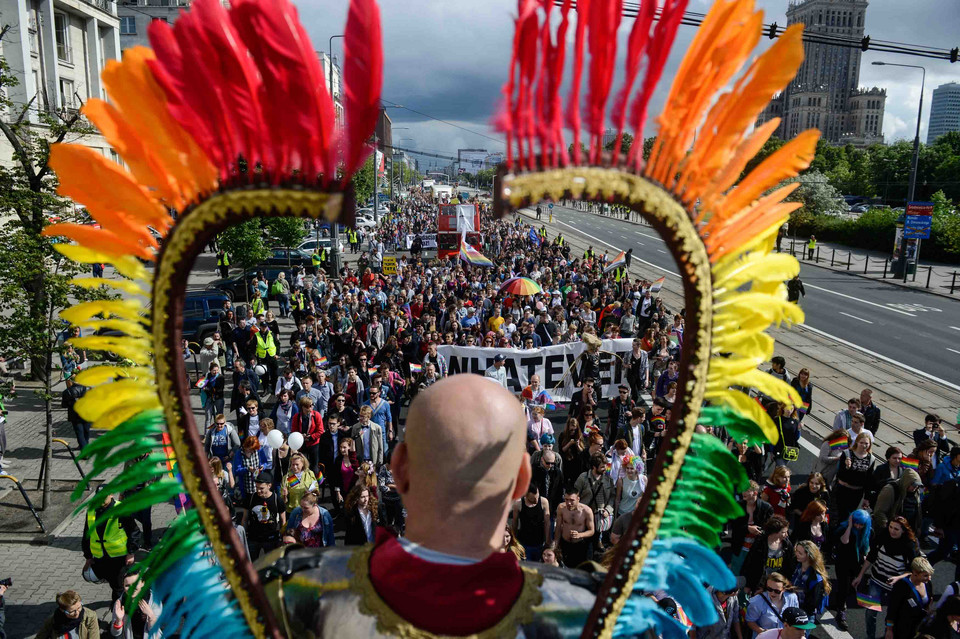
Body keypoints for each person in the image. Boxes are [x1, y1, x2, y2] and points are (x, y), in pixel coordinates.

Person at [853, 516, 920, 639]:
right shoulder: (882, 537)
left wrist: (899, 578)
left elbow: (912, 570)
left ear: (903, 531)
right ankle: (870, 636)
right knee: (870, 612)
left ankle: (887, 635)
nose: (892, 531)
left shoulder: (909, 546)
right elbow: (871, 557)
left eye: (896, 529)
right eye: (890, 527)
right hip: (876, 580)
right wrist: (860, 575)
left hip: (895, 586)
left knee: (891, 615)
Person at [81, 492, 141, 602]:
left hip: (121, 558)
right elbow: (87, 535)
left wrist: (131, 552)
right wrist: (88, 557)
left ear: (111, 494)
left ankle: (118, 609)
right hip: (101, 558)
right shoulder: (91, 511)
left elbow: (134, 532)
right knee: (114, 584)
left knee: (119, 586)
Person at [829, 509, 873, 631]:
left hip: (857, 564)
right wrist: (849, 525)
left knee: (851, 588)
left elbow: (867, 546)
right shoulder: (843, 528)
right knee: (844, 586)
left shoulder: (868, 531)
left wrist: (865, 554)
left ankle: (839, 603)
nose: (858, 526)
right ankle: (841, 612)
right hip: (843, 562)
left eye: (861, 524)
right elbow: (844, 540)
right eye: (856, 523)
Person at [728, 481, 774, 576]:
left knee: (752, 573)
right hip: (740, 546)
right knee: (736, 570)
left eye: (747, 490)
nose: (743, 492)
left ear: (755, 493)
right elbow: (733, 526)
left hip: (756, 548)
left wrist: (759, 531)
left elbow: (769, 528)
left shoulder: (766, 508)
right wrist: (748, 528)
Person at [741, 516, 795, 594]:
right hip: (760, 584)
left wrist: (786, 583)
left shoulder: (787, 545)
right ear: (774, 532)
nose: (786, 535)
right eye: (783, 532)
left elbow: (790, 566)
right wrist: (748, 585)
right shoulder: (760, 543)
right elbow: (750, 563)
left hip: (777, 584)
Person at [885, 557, 935, 639]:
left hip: (920, 628)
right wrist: (889, 630)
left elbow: (929, 601)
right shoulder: (901, 587)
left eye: (930, 575)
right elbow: (891, 611)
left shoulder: (928, 584)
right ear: (915, 573)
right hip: (903, 630)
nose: (929, 578)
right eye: (926, 575)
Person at [109, 567, 162, 639]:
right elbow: (115, 633)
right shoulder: (120, 604)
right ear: (123, 585)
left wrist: (151, 616)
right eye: (127, 585)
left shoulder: (154, 601)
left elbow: (156, 632)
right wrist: (118, 620)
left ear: (143, 583)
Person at [243, 471, 285, 559]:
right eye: (257, 487)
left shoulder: (277, 499)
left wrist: (282, 537)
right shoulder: (250, 498)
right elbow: (245, 519)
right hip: (253, 538)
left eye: (261, 488)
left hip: (271, 539)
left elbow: (283, 520)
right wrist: (243, 537)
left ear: (269, 486)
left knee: (270, 564)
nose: (258, 490)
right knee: (252, 565)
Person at [835, 432, 876, 520]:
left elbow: (869, 480)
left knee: (849, 516)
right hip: (842, 490)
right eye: (861, 443)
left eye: (866, 443)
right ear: (857, 442)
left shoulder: (871, 459)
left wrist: (866, 498)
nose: (864, 445)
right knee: (837, 514)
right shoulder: (847, 454)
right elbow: (839, 474)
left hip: (856, 493)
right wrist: (847, 467)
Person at [745, 573, 800, 637]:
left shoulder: (792, 598)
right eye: (770, 589)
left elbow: (795, 618)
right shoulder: (757, 601)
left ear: (784, 589)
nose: (772, 593)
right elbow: (750, 621)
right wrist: (762, 631)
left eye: (777, 591)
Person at [873, 468, 924, 534]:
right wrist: (890, 528)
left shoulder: (916, 492)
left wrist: (918, 528)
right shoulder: (890, 490)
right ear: (907, 482)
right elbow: (879, 512)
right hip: (892, 530)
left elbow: (918, 511)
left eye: (918, 485)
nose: (915, 487)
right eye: (913, 485)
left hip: (908, 530)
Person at [791, 540, 830, 624]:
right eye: (796, 551)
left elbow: (812, 603)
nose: (796, 554)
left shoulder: (815, 578)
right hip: (794, 609)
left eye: (800, 553)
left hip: (805, 615)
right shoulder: (797, 567)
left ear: (808, 556)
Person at [556, 488, 595, 569]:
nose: (568, 503)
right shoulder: (561, 508)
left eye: (572, 500)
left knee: (579, 569)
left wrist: (580, 535)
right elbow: (558, 527)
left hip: (580, 545)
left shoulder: (586, 511)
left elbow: (591, 531)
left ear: (578, 499)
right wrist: (556, 543)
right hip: (565, 544)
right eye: (566, 499)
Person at [511, 484, 550, 562]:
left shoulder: (544, 502)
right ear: (526, 495)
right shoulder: (518, 504)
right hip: (524, 542)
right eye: (532, 499)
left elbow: (547, 523)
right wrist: (513, 539)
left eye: (537, 497)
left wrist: (547, 540)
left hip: (539, 541)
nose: (536, 500)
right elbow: (514, 523)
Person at [62, 378, 92, 449]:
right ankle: (85, 445)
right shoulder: (89, 389)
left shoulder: (67, 391)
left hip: (75, 415)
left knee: (79, 433)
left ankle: (84, 449)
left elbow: (64, 405)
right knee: (86, 430)